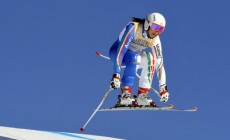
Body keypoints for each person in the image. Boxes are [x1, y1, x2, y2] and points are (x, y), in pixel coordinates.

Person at [109, 12, 169, 107]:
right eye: (155, 27)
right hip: (117, 53)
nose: (156, 32)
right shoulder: (134, 28)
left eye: (160, 29)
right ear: (147, 24)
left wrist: (163, 87)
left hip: (134, 58)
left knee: (150, 58)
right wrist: (116, 75)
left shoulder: (155, 39)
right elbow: (121, 51)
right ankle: (125, 93)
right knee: (135, 57)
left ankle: (142, 94)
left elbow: (159, 63)